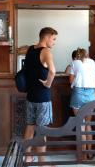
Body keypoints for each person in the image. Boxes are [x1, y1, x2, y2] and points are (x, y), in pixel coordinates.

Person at [23, 27, 58, 165]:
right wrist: (48, 84)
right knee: (42, 131)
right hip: (42, 98)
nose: (54, 42)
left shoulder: (30, 49)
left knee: (30, 127)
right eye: (54, 39)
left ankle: (28, 158)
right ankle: (42, 163)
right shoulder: (46, 51)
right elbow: (53, 71)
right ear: (47, 37)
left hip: (30, 96)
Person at [69, 48, 95, 160]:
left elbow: (70, 81)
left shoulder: (74, 63)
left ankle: (82, 155)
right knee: (88, 124)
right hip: (91, 95)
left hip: (78, 94)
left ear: (77, 56)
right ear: (87, 55)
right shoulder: (94, 62)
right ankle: (89, 152)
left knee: (81, 125)